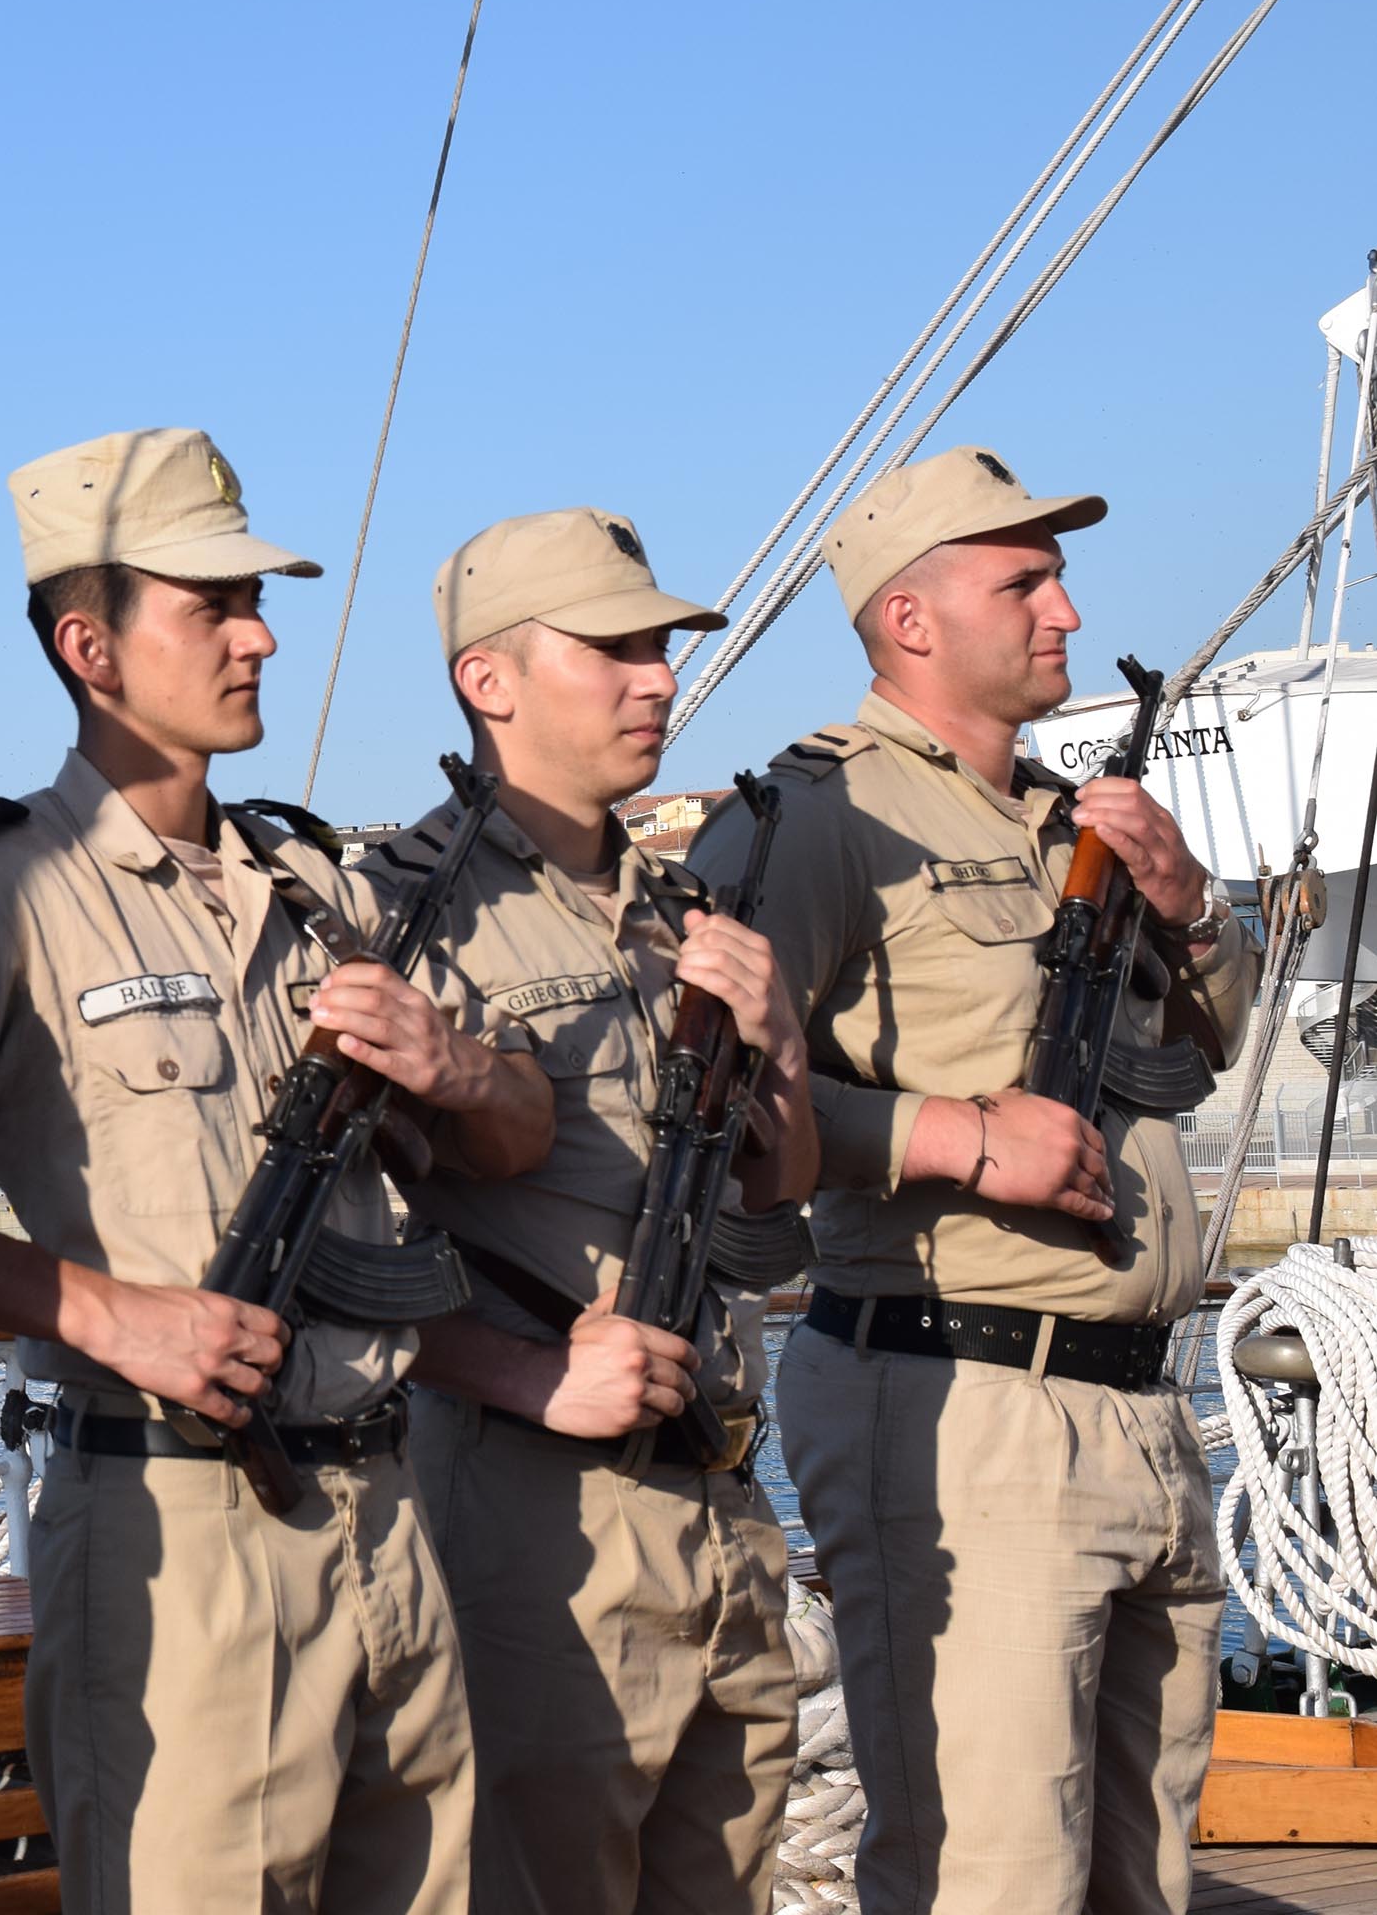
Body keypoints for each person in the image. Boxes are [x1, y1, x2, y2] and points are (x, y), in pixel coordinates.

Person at [0, 427, 554, 1915]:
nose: (260, 636)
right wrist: (108, 1315)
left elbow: (512, 1143)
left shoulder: (322, 890)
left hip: (391, 1513)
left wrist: (456, 1066)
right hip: (174, 1526)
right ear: (91, 647)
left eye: (257, 602)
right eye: (214, 606)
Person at [688, 446, 1258, 1915]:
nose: (1067, 611)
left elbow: (1207, 1038)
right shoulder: (817, 819)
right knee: (988, 1878)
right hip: (963, 1402)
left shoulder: (1074, 822)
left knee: (1145, 1877)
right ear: (911, 620)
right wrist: (952, 1134)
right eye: (1026, 584)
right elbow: (709, 1101)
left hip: (1138, 1401)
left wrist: (1190, 908)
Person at [366, 508, 818, 1915]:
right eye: (614, 649)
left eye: (661, 649)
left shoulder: (682, 911)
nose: (658, 678)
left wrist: (782, 1044)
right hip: (533, 1516)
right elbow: (338, 1253)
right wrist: (523, 1374)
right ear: (488, 679)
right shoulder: (402, 918)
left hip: (721, 1494)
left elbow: (778, 1192)